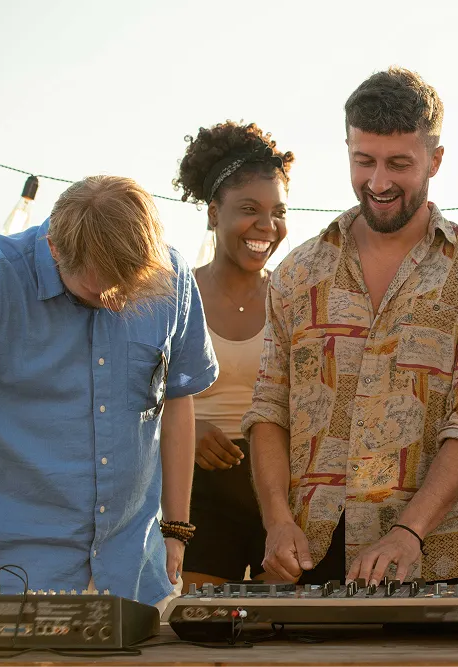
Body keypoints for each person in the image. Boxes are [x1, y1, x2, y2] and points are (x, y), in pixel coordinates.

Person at [242, 67, 458, 587]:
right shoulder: (298, 273)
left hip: (429, 559)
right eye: (363, 161)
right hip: (306, 559)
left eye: (399, 164)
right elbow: (268, 409)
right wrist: (276, 520)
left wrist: (409, 532)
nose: (379, 182)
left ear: (435, 159)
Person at [0, 176, 217, 612]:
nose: (117, 304)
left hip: (138, 574)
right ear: (55, 248)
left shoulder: (173, 276)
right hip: (15, 579)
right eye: (101, 291)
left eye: (130, 291)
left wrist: (176, 527)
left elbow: (176, 397)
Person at [172, 121, 295, 588]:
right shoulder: (175, 295)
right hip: (198, 495)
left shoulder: (295, 298)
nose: (267, 226)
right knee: (203, 628)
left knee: (284, 638)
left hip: (281, 497)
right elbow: (131, 397)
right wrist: (186, 427)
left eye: (278, 211)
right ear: (212, 213)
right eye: (249, 209)